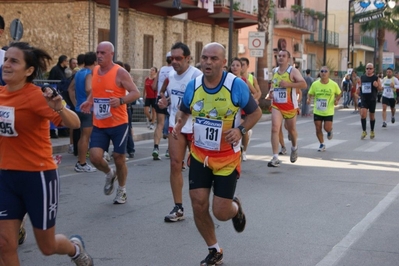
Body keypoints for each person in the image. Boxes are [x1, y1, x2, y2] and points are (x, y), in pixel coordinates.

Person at [0, 41, 93, 266]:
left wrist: (59, 106)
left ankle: (75, 248)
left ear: (29, 70)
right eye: (5, 60)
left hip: (37, 176)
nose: (7, 65)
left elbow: (73, 122)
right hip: (5, 177)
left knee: (47, 246)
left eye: (14, 61)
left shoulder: (37, 97)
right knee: (4, 244)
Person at [174, 42, 262, 265]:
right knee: (198, 203)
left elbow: (256, 112)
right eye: (204, 58)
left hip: (227, 159)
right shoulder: (193, 86)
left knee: (221, 212)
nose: (208, 62)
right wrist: (179, 123)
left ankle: (235, 208)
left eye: (213, 59)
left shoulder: (235, 86)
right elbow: (183, 111)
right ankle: (214, 250)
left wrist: (240, 130)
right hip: (199, 156)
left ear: (224, 63)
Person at [80, 41, 140, 204]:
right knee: (94, 157)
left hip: (119, 123)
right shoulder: (96, 71)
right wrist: (89, 101)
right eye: (97, 52)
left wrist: (121, 100)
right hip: (100, 123)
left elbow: (135, 93)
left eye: (102, 53)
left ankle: (122, 190)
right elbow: (96, 90)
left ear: (111, 54)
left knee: (119, 157)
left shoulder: (120, 72)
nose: (98, 56)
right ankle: (109, 173)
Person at [157, 42, 202, 223]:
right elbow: (171, 96)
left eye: (178, 58)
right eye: (171, 58)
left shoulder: (196, 76)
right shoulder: (170, 75)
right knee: (175, 164)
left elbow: (202, 102)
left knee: (200, 168)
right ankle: (178, 207)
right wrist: (165, 102)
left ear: (188, 58)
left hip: (196, 126)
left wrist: (186, 110)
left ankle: (206, 204)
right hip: (177, 127)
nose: (174, 62)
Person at [267, 50, 306, 167]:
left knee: (292, 130)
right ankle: (275, 157)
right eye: (279, 56)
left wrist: (289, 84)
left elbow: (303, 85)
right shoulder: (274, 71)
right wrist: (270, 93)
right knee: (275, 128)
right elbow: (273, 86)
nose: (281, 58)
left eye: (283, 56)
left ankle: (294, 147)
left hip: (290, 106)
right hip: (277, 105)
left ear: (288, 59)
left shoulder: (292, 71)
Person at [68, 51, 97, 172]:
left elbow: (70, 88)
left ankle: (81, 162)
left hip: (79, 108)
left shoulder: (79, 72)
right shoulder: (89, 73)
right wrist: (92, 100)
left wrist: (75, 104)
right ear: (95, 62)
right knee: (85, 137)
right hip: (87, 109)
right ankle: (82, 163)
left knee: (81, 136)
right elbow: (88, 88)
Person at [229, 57, 260, 161]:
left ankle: (244, 150)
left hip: (242, 109)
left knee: (242, 130)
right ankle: (234, 150)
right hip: (230, 109)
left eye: (237, 65)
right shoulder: (226, 79)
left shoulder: (244, 81)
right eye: (233, 65)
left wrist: (251, 101)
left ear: (241, 68)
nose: (234, 67)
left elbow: (256, 92)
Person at [307, 66, 341, 151]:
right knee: (318, 128)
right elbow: (310, 93)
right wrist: (308, 99)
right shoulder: (315, 84)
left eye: (325, 71)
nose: (323, 73)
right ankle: (322, 144)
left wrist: (336, 100)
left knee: (326, 128)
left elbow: (339, 93)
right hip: (318, 110)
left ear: (328, 73)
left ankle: (330, 131)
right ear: (320, 73)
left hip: (328, 111)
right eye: (322, 71)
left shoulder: (333, 84)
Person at [151, 52, 173, 160]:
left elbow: (154, 86)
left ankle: (156, 147)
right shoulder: (175, 71)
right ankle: (169, 150)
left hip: (160, 97)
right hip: (171, 98)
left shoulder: (161, 69)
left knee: (159, 124)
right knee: (171, 125)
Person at [358, 63, 381, 139]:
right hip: (364, 99)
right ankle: (364, 131)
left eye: (370, 68)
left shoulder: (376, 78)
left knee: (371, 116)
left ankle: (372, 130)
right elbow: (359, 87)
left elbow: (380, 88)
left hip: (372, 99)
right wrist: (358, 90)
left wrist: (377, 85)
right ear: (365, 69)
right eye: (367, 68)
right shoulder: (362, 77)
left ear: (373, 69)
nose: (369, 70)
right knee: (363, 114)